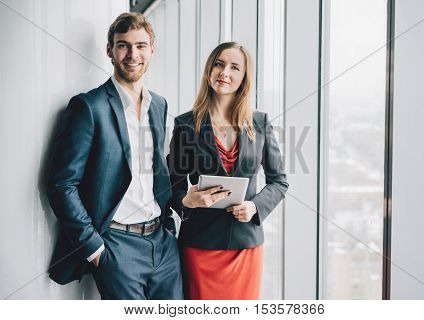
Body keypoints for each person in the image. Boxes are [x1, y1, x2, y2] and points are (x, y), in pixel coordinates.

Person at [47, 12, 182, 300]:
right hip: (117, 246)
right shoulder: (89, 107)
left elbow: (155, 169)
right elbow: (62, 184)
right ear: (110, 50)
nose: (133, 54)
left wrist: (170, 224)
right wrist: (95, 249)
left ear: (152, 50)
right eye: (123, 45)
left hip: (163, 244)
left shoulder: (158, 104)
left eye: (141, 45)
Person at [167, 42, 288, 299]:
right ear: (209, 70)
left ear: (244, 77)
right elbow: (172, 187)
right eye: (219, 64)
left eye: (235, 67)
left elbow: (279, 182)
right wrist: (187, 201)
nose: (225, 72)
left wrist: (255, 207)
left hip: (246, 245)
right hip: (199, 245)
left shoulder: (260, 122)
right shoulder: (186, 125)